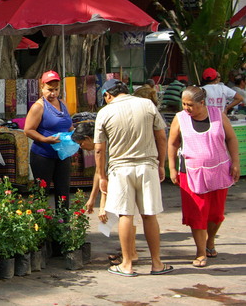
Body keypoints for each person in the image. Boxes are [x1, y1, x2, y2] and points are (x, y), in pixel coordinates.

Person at [94, 79, 172, 277]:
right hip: (147, 166)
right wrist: (161, 164)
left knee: (125, 215)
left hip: (120, 169)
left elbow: (99, 149)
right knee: (149, 215)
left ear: (107, 95)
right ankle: (157, 263)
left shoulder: (105, 112)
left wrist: (101, 175)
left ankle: (127, 264)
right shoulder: (147, 104)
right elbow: (161, 137)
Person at [167, 86, 240, 268]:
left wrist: (236, 162)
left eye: (190, 104)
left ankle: (210, 240)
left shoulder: (218, 115)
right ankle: (200, 252)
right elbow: (172, 143)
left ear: (201, 103)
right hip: (191, 173)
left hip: (219, 171)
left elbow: (231, 138)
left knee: (215, 214)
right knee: (197, 214)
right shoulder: (180, 119)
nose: (186, 108)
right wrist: (171, 168)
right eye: (183, 104)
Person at [75, 121, 138, 266]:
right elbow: (99, 173)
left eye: (81, 143)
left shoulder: (104, 147)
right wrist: (92, 198)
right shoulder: (103, 144)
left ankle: (130, 253)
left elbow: (104, 177)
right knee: (129, 215)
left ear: (88, 138)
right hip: (123, 176)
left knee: (127, 215)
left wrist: (103, 205)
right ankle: (129, 251)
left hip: (125, 176)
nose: (81, 147)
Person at [24, 70, 73, 209]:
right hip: (43, 155)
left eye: (56, 89)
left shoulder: (63, 103)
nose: (53, 93)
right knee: (41, 193)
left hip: (62, 155)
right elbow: (28, 130)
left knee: (63, 192)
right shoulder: (38, 107)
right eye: (50, 90)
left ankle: (63, 226)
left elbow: (68, 125)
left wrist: (76, 136)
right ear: (42, 87)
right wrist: (45, 139)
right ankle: (40, 226)